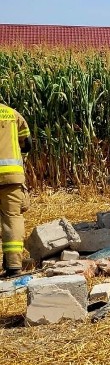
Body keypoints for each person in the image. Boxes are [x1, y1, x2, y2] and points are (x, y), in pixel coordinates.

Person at [0, 101, 31, 276]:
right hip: (12, 176)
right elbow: (27, 143)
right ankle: (13, 266)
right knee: (12, 218)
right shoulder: (12, 114)